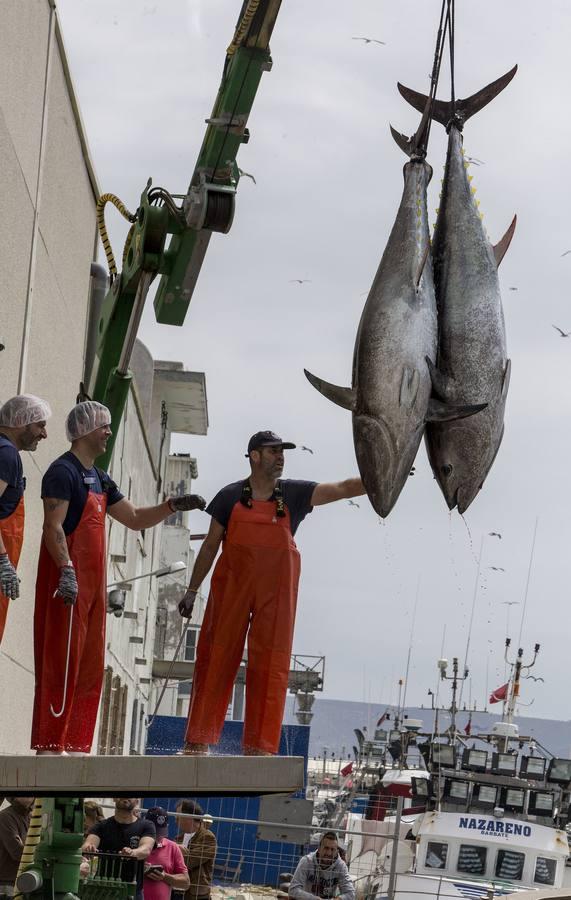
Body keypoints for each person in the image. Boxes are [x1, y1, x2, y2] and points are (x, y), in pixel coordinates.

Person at [31, 400, 206, 755]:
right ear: (84, 430)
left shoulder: (100, 478)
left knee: (89, 666)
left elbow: (135, 517)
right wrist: (66, 570)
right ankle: (50, 744)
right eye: (104, 426)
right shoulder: (62, 472)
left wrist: (171, 506)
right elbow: (53, 527)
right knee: (62, 660)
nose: (109, 432)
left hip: (95, 589)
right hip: (69, 585)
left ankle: (76, 744)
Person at [179, 430, 365, 755]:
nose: (280, 457)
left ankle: (260, 748)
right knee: (216, 656)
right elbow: (209, 547)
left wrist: (380, 477)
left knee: (272, 664)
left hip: (275, 593)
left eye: (282, 452)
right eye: (273, 451)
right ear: (254, 456)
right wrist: (192, 590)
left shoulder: (294, 494)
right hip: (232, 588)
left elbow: (343, 488)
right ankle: (198, 740)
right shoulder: (229, 496)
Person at [0, 395, 51, 645]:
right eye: (40, 425)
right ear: (21, 420)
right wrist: (2, 560)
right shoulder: (6, 455)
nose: (44, 434)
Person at [82, 797, 155, 900]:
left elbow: (146, 849)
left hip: (132, 892)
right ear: (114, 798)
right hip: (104, 891)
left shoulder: (146, 826)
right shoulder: (101, 826)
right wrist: (89, 848)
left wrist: (132, 853)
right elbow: (87, 844)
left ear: (137, 801)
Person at [289, 832, 354, 900]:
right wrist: (314, 899)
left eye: (332, 849)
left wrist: (338, 899)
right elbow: (293, 890)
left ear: (336, 851)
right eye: (326, 848)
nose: (329, 853)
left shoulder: (341, 866)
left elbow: (350, 894)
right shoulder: (307, 861)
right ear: (319, 848)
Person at [143, 806, 190, 900]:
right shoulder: (136, 843)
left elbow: (186, 882)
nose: (158, 836)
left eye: (161, 832)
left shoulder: (172, 847)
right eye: (154, 832)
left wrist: (164, 876)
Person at [175, 800, 216, 900]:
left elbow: (190, 861)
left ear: (189, 817)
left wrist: (173, 850)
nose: (176, 819)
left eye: (178, 815)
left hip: (196, 894)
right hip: (177, 890)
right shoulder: (178, 838)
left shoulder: (207, 837)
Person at [0, 797, 35, 898]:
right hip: (8, 885)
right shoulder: (5, 816)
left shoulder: (32, 818)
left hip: (27, 881)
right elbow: (18, 852)